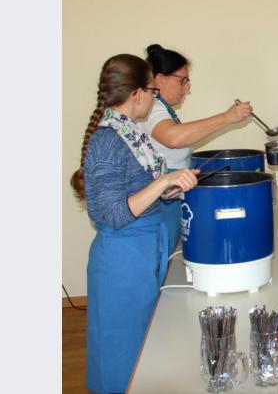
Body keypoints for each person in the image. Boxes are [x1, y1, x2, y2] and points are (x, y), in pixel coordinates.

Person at [69, 54, 199, 393]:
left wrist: (173, 185)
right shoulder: (107, 140)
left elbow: (141, 193)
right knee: (119, 356)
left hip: (141, 252)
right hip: (122, 261)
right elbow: (113, 213)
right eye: (153, 90)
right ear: (137, 93)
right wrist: (162, 182)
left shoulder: (130, 133)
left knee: (143, 346)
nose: (155, 98)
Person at [143, 44, 253, 254]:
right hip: (159, 205)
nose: (187, 87)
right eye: (182, 80)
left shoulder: (163, 110)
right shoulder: (152, 109)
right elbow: (174, 138)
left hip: (169, 202)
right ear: (159, 79)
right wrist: (227, 118)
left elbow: (181, 137)